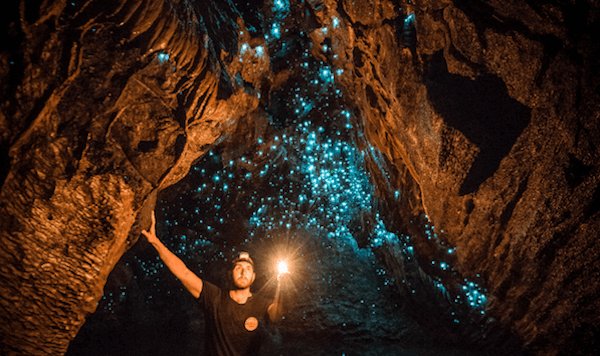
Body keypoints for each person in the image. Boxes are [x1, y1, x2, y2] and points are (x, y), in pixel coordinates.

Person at [141, 211, 284, 356]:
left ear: (253, 277)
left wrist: (282, 285)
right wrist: (155, 242)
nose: (243, 272)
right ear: (230, 274)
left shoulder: (263, 304)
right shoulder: (214, 298)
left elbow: (276, 314)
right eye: (238, 267)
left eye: (248, 269)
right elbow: (183, 273)